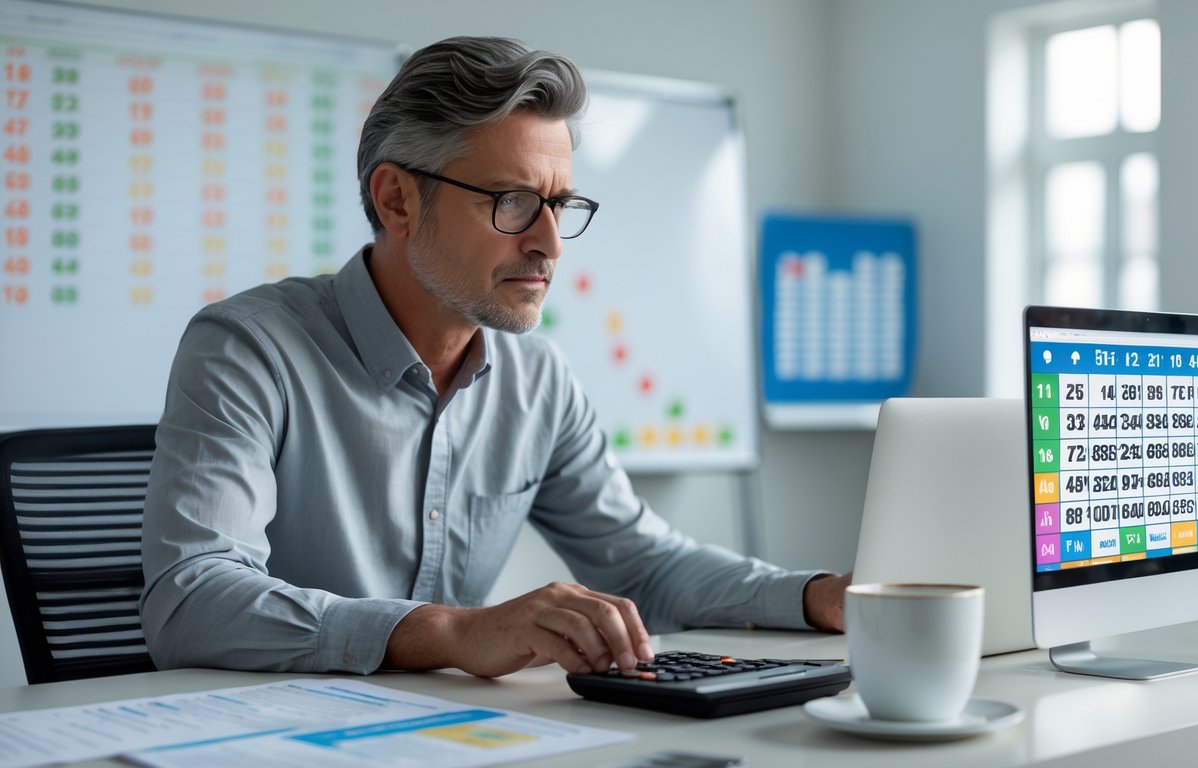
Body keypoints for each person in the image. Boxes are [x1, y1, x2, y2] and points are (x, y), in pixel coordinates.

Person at [139, 35, 849, 679]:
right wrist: (451, 632)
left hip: (450, 738)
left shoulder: (536, 379)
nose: (549, 243)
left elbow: (646, 565)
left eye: (560, 204)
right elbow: (191, 599)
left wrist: (819, 596)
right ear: (397, 201)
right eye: (512, 202)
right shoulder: (247, 348)